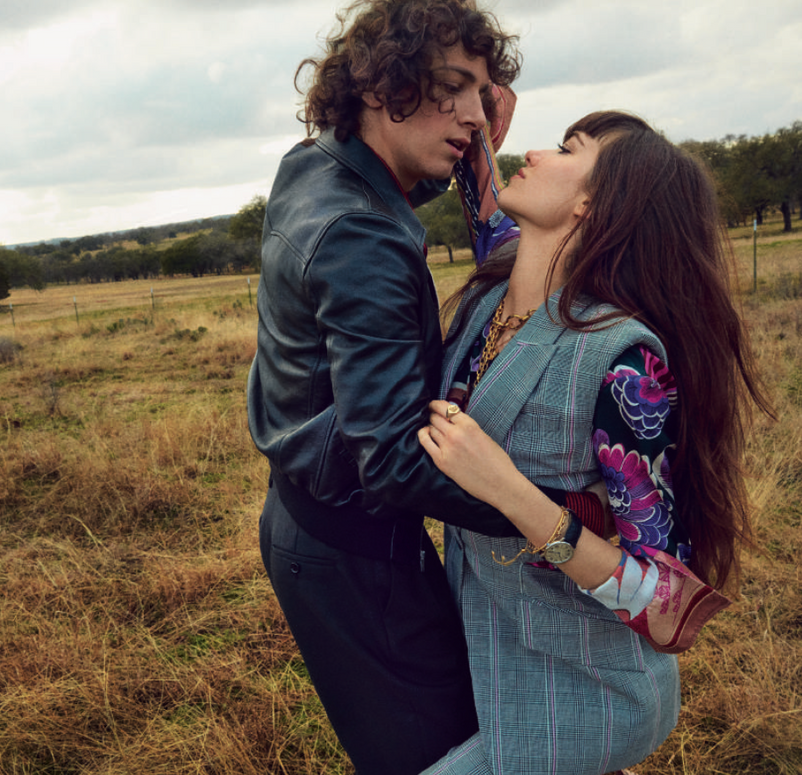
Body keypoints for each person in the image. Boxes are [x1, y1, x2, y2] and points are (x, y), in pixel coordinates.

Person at [245, 3, 606, 773]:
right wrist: (557, 513)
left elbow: (389, 196)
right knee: (439, 753)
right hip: (353, 549)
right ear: (384, 83)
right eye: (457, 88)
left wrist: (477, 159)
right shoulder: (362, 240)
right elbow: (393, 463)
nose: (476, 116)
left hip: (311, 517)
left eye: (484, 96)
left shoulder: (314, 166)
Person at [417, 110, 774, 774]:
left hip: (584, 688)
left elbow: (663, 599)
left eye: (565, 149)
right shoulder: (494, 300)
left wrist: (508, 490)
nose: (534, 152)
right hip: (491, 657)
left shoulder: (623, 361)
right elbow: (486, 202)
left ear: (592, 203)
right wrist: (471, 107)